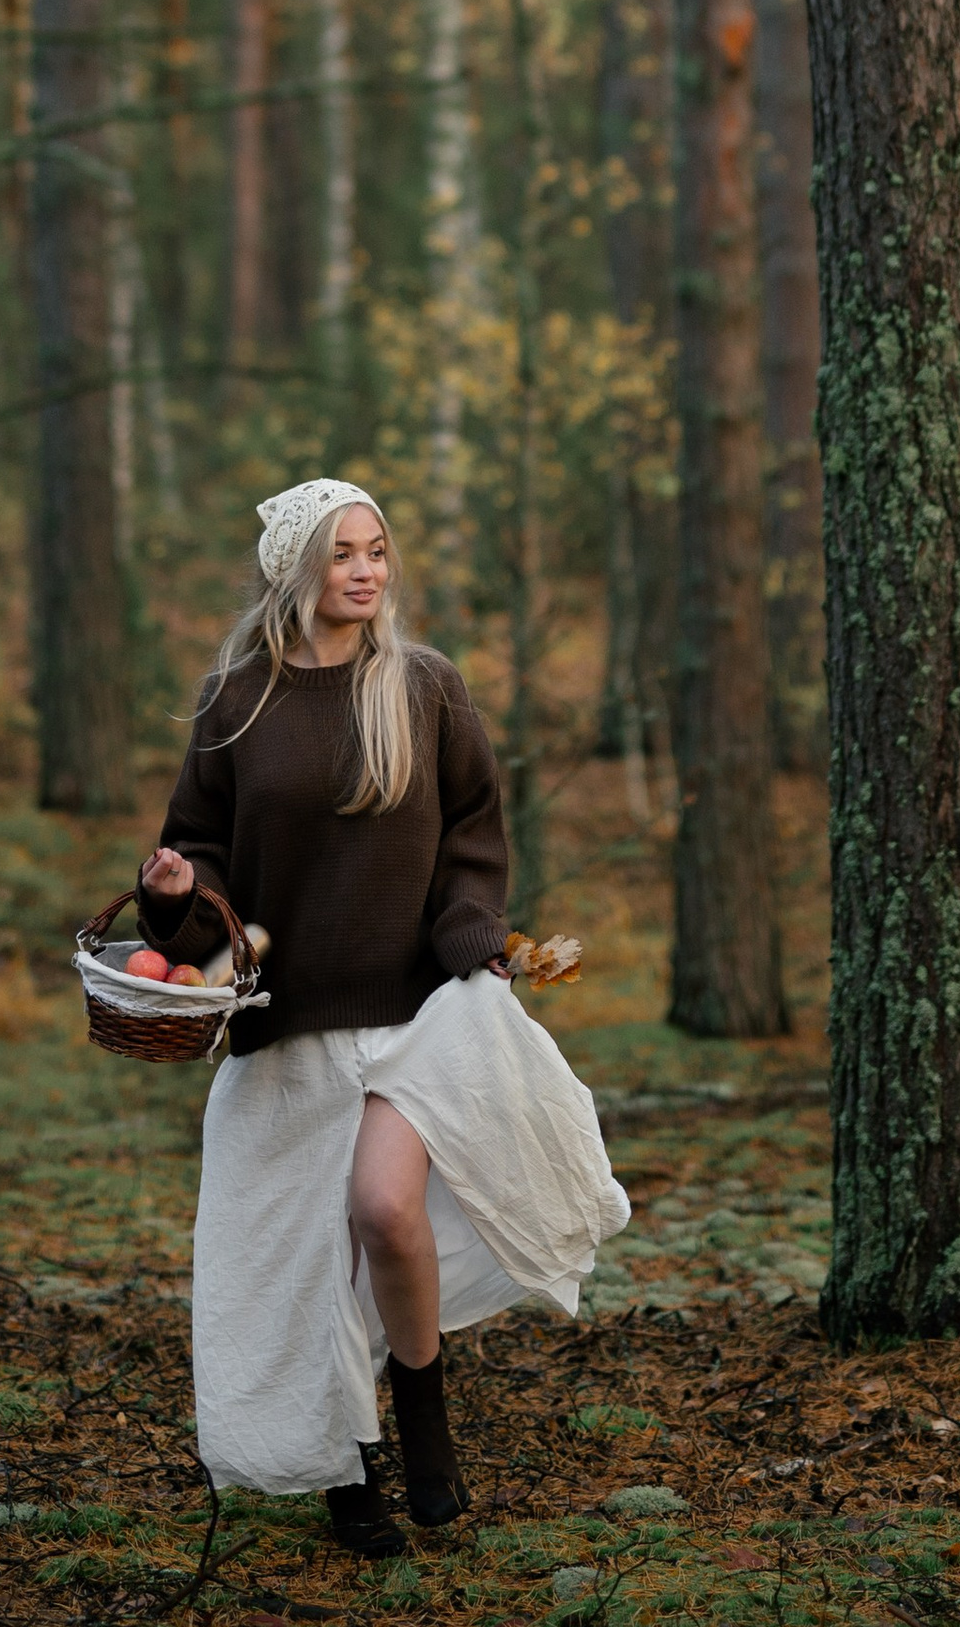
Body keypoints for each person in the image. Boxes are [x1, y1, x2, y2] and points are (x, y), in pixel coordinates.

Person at [136, 476, 629, 1555]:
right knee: (305, 1261)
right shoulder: (239, 699)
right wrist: (173, 893)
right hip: (291, 1019)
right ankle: (346, 1469)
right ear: (294, 570)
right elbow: (202, 848)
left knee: (383, 1212)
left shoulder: (423, 687)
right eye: (341, 553)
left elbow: (470, 842)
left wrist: (478, 942)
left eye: (376, 550)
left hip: (417, 1012)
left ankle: (423, 1410)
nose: (364, 570)